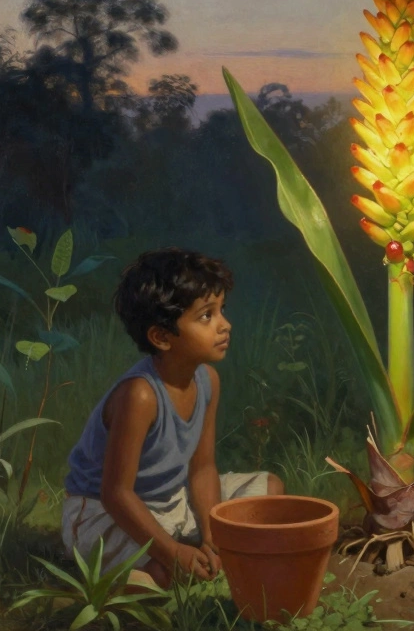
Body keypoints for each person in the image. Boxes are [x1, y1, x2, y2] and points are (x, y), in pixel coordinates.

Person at [62, 248, 284, 588]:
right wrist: (171, 552)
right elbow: (116, 494)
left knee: (270, 489)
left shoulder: (207, 380)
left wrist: (213, 533)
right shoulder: (140, 395)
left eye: (221, 310)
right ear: (161, 337)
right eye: (206, 316)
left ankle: (185, 547)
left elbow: (203, 468)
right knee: (166, 574)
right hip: (107, 513)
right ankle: (128, 574)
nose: (225, 325)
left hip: (172, 499)